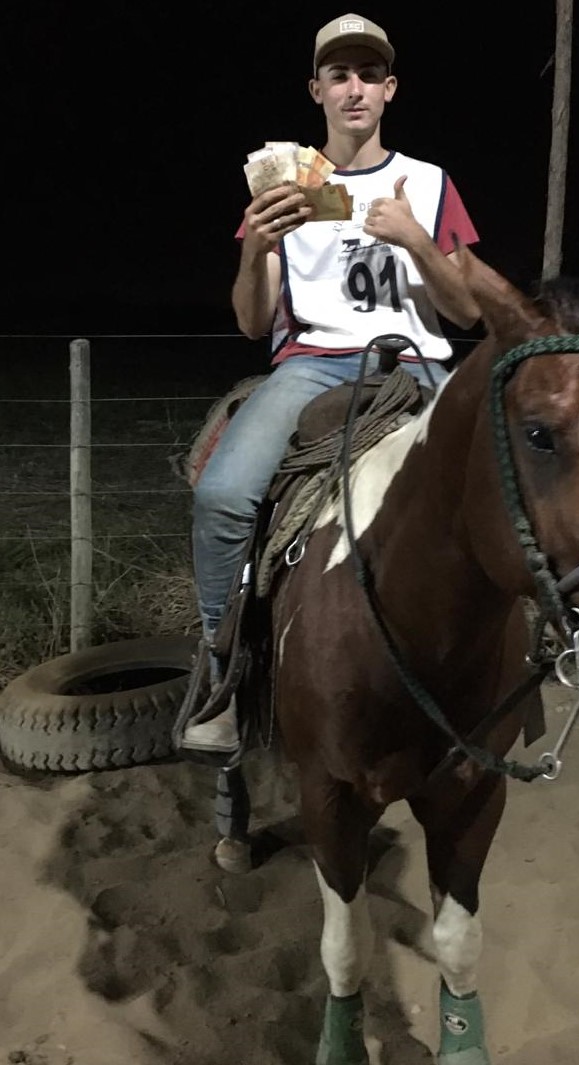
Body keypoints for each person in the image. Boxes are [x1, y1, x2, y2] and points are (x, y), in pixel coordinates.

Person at [180, 12, 481, 865]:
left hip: (417, 367)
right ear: (316, 90)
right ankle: (221, 680)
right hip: (313, 364)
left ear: (389, 89)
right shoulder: (281, 184)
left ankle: (524, 673)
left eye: (368, 74)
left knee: (504, 485)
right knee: (223, 493)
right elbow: (250, 323)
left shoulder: (426, 182)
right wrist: (258, 247)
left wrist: (413, 239)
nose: (353, 88)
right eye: (337, 74)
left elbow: (463, 312)